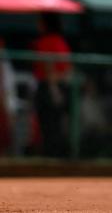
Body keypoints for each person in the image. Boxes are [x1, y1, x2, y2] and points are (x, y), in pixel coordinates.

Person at [31, 13, 72, 157]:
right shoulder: (61, 41)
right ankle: (55, 157)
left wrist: (54, 89)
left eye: (40, 22)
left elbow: (50, 68)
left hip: (49, 88)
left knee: (48, 127)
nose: (38, 26)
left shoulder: (45, 41)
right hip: (59, 87)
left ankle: (51, 157)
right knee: (56, 126)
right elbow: (68, 70)